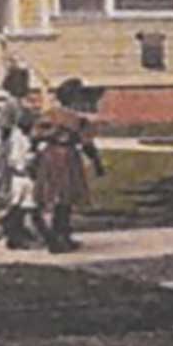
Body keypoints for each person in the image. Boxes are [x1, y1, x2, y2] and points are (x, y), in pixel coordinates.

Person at [34, 78, 104, 252]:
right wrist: (97, 163)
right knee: (65, 198)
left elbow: (35, 135)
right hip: (67, 157)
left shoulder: (50, 114)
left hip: (49, 156)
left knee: (56, 196)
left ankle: (61, 234)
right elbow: (87, 143)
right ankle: (60, 236)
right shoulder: (77, 119)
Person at [0, 64, 31, 214]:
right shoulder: (11, 104)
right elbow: (6, 126)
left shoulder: (19, 103)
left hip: (18, 139)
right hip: (12, 141)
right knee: (12, 170)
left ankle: (16, 205)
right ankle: (10, 206)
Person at [0, 106, 43, 248]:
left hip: (20, 176)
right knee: (27, 207)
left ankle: (14, 232)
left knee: (23, 206)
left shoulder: (20, 136)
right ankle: (16, 232)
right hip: (23, 176)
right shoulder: (21, 139)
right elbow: (23, 158)